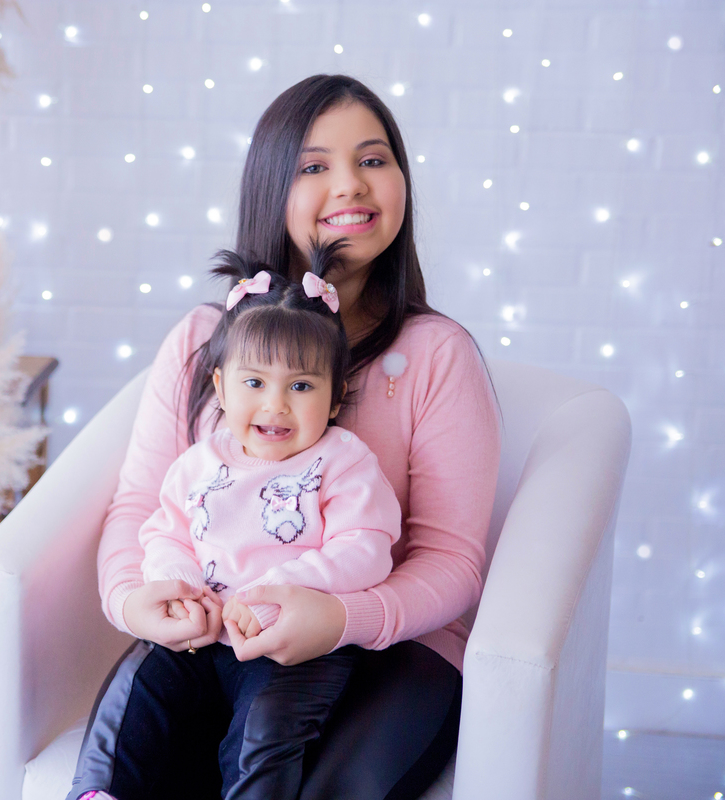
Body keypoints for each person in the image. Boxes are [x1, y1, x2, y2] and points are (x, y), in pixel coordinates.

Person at [79, 74, 501, 800]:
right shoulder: (200, 342)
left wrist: (340, 615)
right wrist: (134, 598)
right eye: (314, 166)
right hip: (222, 634)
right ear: (272, 185)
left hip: (395, 647)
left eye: (374, 160)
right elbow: (142, 507)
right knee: (130, 754)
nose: (351, 185)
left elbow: (452, 563)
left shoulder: (438, 355)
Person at [69, 243, 403, 800]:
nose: (276, 406)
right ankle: (100, 791)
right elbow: (164, 531)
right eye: (254, 383)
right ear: (221, 388)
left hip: (292, 646)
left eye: (301, 386)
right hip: (202, 635)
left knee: (266, 730)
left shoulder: (342, 461)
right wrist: (177, 589)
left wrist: (281, 590)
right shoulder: (201, 461)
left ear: (336, 395)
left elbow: (365, 548)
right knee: (136, 686)